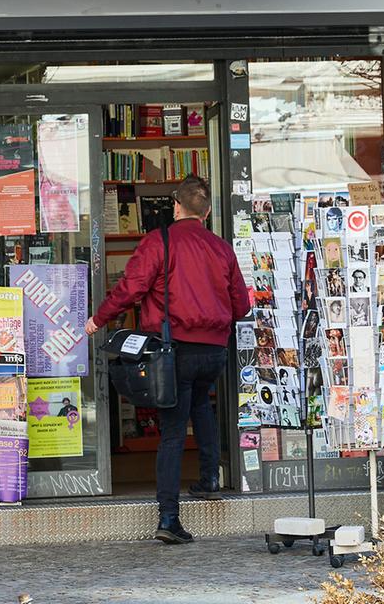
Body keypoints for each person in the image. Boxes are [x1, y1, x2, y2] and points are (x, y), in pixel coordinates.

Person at [83, 175, 249, 545]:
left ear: (176, 207)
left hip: (175, 350)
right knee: (202, 406)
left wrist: (99, 319)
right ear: (206, 212)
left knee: (173, 430)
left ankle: (169, 517)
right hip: (214, 351)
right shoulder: (222, 248)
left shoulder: (160, 241)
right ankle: (209, 479)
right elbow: (242, 305)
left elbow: (131, 289)